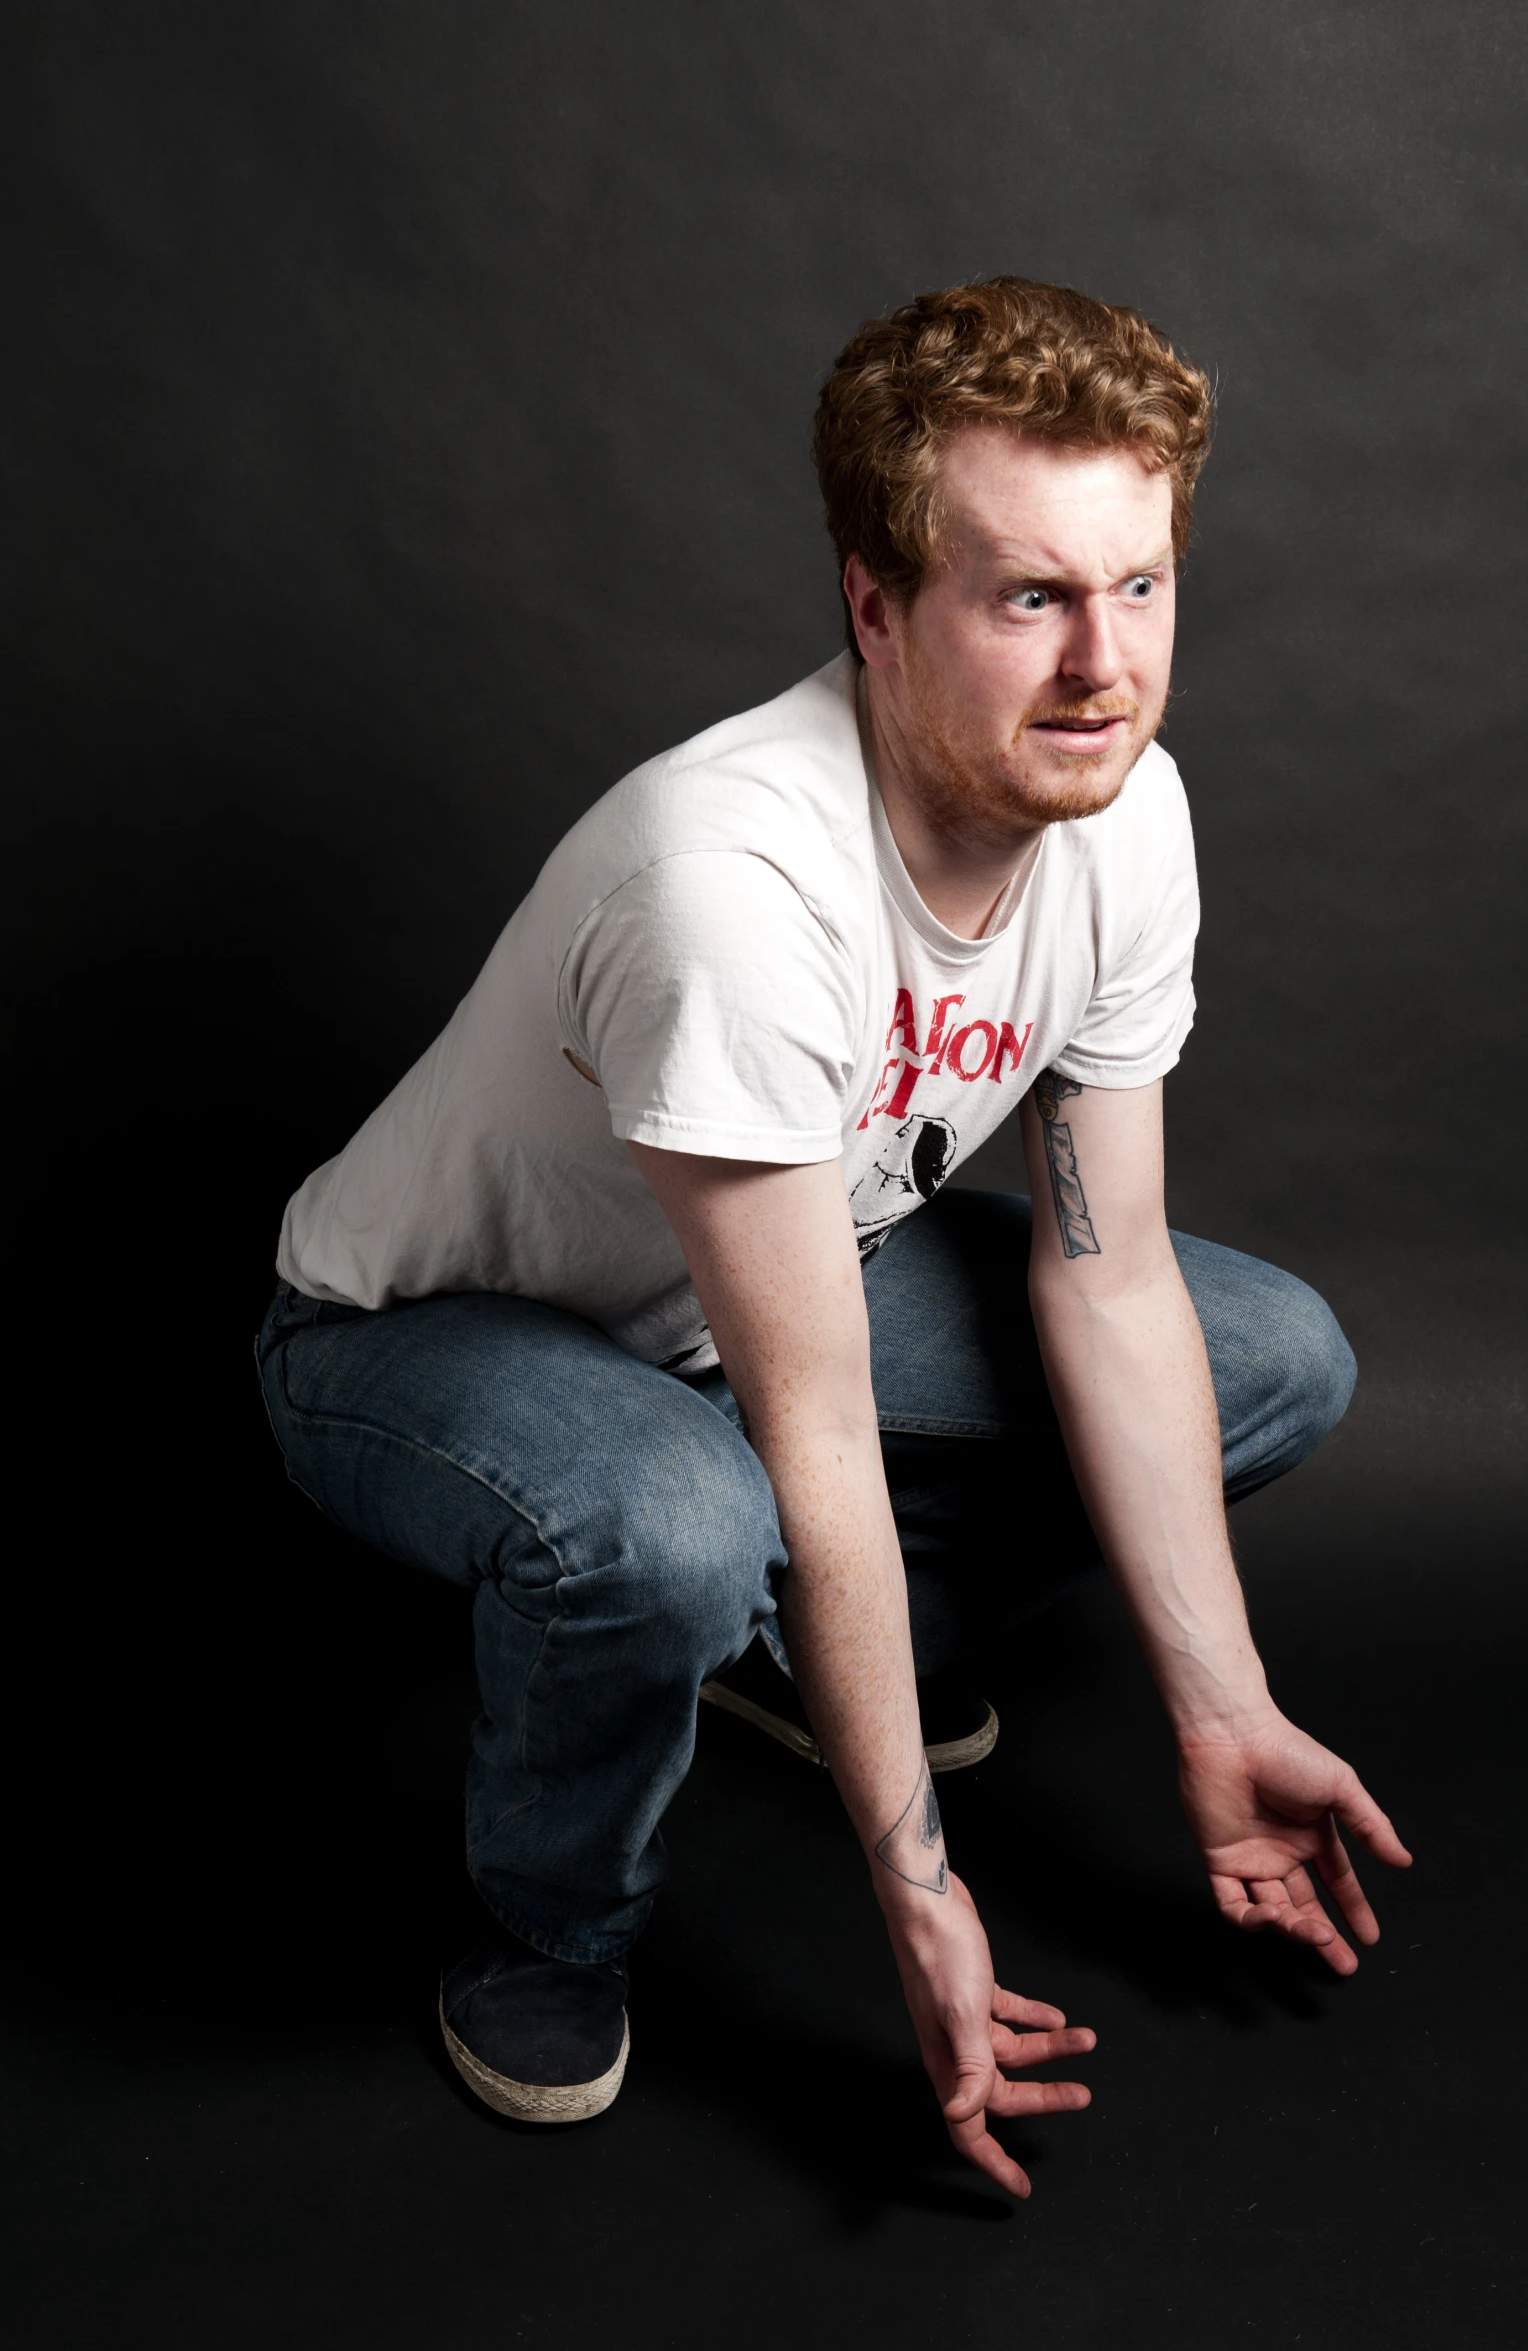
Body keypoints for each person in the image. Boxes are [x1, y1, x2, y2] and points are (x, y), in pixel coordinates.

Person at [256, 277, 1411, 2197]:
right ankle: (553, 1925)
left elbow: (1103, 1271)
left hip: (750, 1312)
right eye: (1028, 596)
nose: (1101, 666)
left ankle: (787, 1657)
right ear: (874, 610)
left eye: (1139, 587)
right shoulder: (728, 883)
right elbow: (810, 1428)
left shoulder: (1126, 818)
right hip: (426, 1336)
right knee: (676, 1521)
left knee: (1266, 1352)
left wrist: (1221, 1712)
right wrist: (918, 1886)